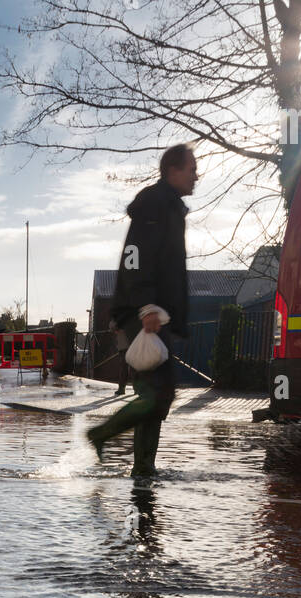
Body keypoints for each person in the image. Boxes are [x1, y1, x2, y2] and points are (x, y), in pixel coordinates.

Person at [87, 144, 198, 473]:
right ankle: (103, 434)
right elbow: (135, 256)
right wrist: (146, 305)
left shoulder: (171, 207)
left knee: (159, 396)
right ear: (172, 170)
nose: (196, 176)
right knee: (155, 394)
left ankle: (143, 468)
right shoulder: (154, 203)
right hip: (143, 311)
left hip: (157, 313)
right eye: (192, 169)